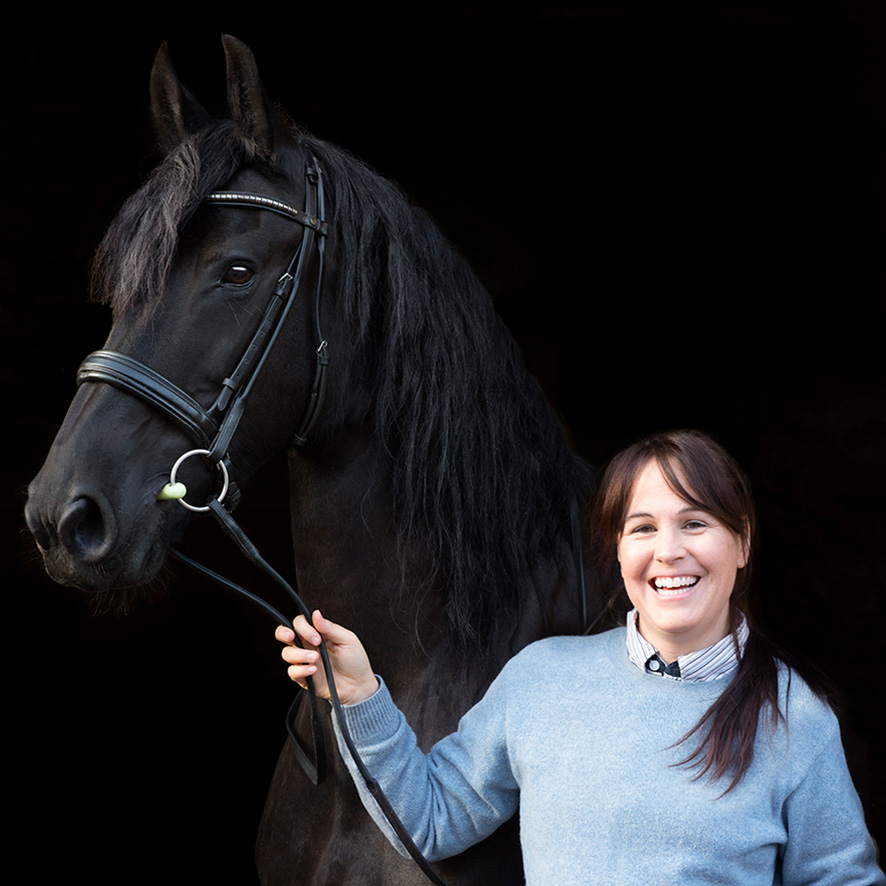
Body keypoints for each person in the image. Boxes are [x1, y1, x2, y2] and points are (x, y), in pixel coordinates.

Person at [276, 429, 884, 884]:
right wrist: (361, 697)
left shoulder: (795, 716)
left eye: (695, 523)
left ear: (743, 541)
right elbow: (430, 821)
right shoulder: (543, 678)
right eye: (642, 528)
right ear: (617, 550)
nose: (668, 551)